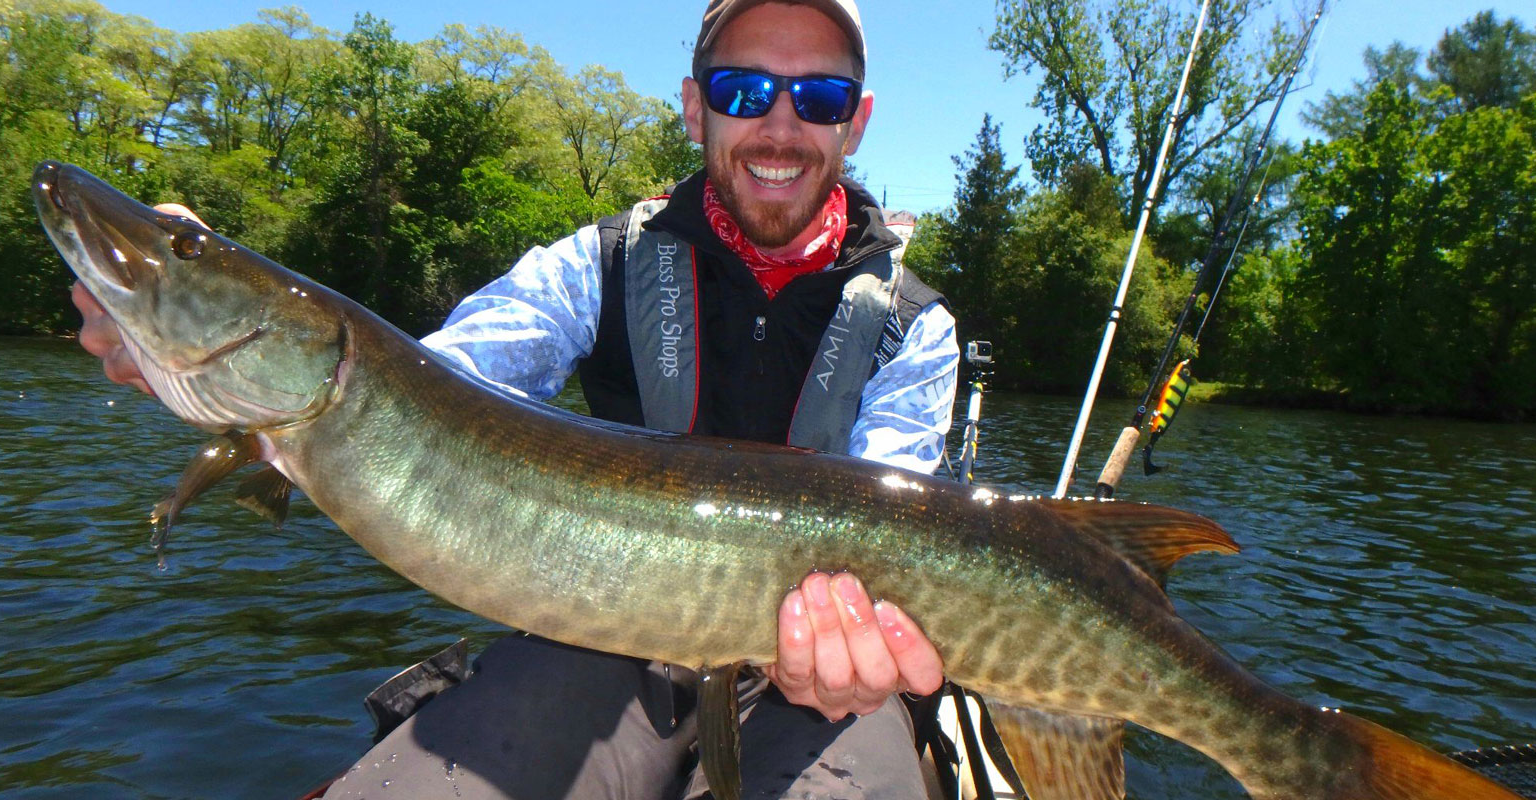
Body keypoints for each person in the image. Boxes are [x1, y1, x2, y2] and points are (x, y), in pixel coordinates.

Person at [75, 1, 961, 797]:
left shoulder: (916, 328)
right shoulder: (594, 264)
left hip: (828, 687)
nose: (778, 126)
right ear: (695, 107)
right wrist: (213, 367)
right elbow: (440, 387)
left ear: (857, 122)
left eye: (819, 98)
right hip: (606, 644)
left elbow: (894, 550)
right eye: (743, 89)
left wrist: (864, 650)